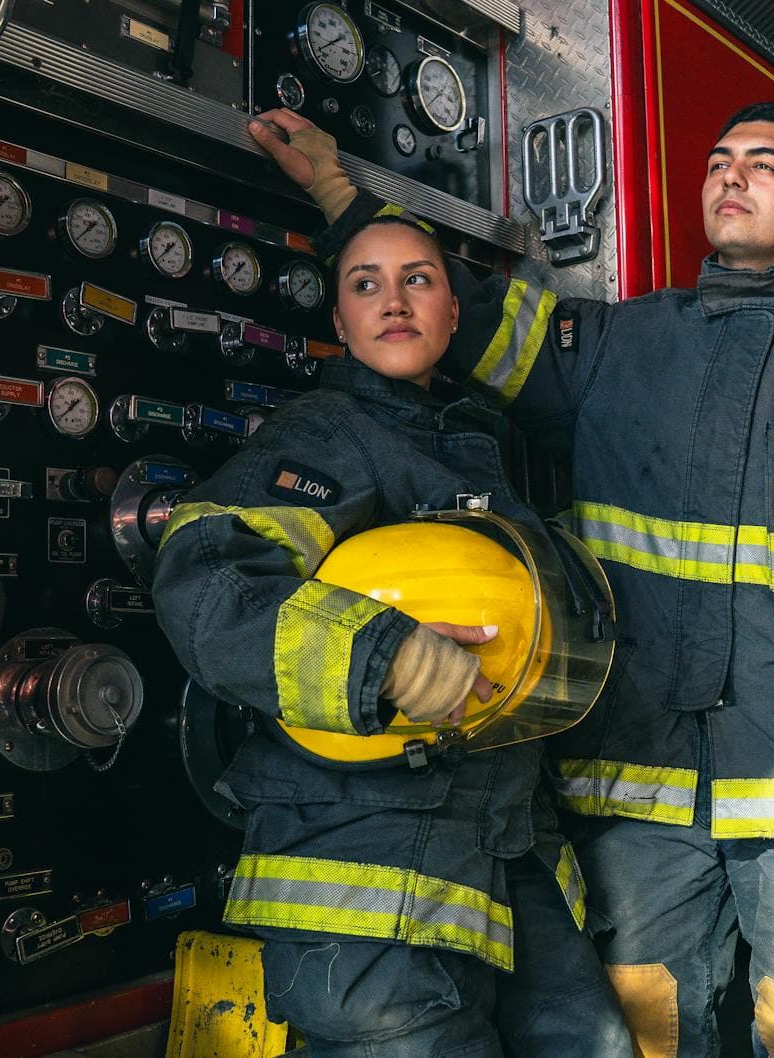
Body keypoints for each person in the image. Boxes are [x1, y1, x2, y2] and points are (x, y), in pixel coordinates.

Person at [249, 100, 774, 1058]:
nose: (731, 177)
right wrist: (339, 192)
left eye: (764, 164)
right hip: (641, 795)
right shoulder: (611, 347)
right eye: (717, 161)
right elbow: (439, 307)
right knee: (644, 1032)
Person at [152, 216, 633, 1058]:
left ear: (454, 311)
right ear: (338, 323)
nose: (393, 302)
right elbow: (205, 578)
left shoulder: (482, 450)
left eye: (418, 279)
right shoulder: (328, 435)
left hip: (499, 853)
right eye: (364, 285)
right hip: (366, 882)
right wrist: (386, 656)